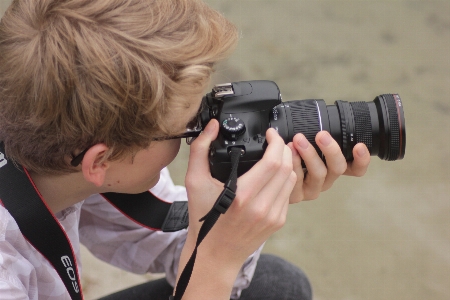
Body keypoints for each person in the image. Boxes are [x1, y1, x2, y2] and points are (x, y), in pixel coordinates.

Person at [0, 0, 370, 299]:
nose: (202, 136)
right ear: (102, 159)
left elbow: (173, 245)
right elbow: (203, 265)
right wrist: (216, 262)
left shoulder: (54, 140)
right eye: (186, 129)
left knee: (275, 286)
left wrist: (244, 200)